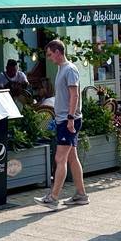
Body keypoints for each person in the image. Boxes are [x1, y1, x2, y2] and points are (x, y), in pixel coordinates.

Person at [36, 40, 87, 208]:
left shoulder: (70, 69)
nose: (49, 58)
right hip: (64, 119)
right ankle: (81, 194)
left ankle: (53, 197)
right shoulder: (61, 69)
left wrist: (70, 118)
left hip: (68, 120)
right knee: (72, 157)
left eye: (50, 54)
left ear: (58, 52)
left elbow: (75, 95)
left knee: (60, 158)